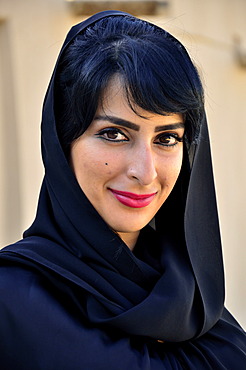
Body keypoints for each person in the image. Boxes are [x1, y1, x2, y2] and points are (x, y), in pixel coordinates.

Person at [0, 9, 245, 369]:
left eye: (167, 138)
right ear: (61, 142)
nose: (145, 173)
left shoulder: (198, 309)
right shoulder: (11, 302)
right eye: (114, 134)